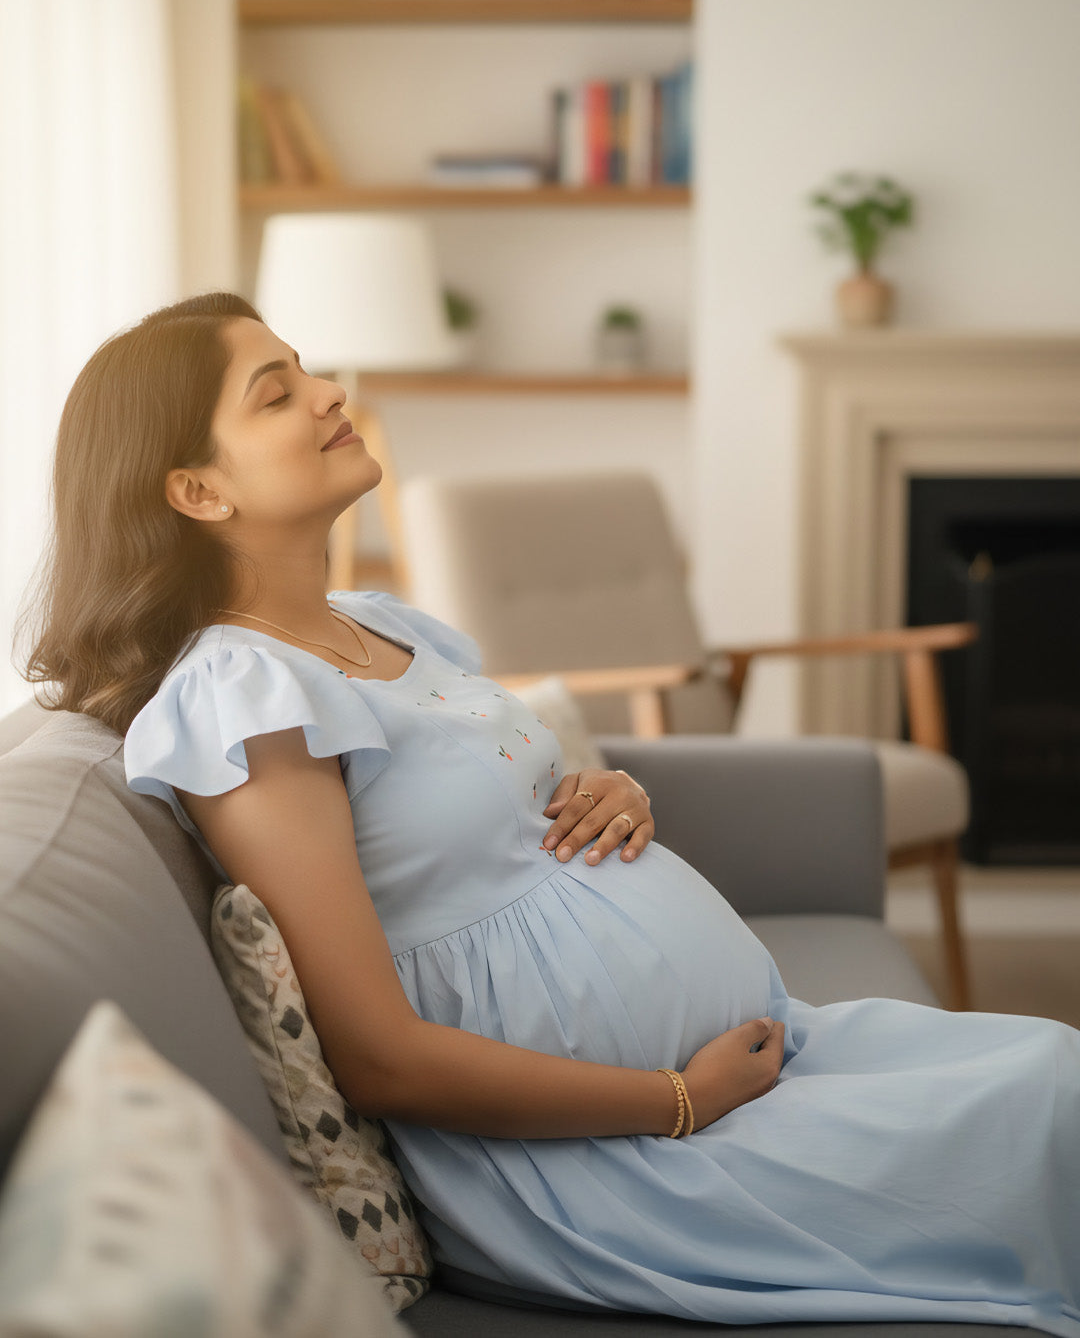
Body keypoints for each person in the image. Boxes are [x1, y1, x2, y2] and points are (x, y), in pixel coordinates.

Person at [24, 293, 1080, 1335]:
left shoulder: (375, 628)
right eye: (276, 393)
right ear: (198, 490)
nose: (329, 393)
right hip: (609, 1161)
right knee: (1049, 1113)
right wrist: (679, 1098)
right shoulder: (244, 696)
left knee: (1052, 1069)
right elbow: (379, 1057)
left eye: (306, 369)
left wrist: (606, 792)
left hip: (754, 1064)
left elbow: (481, 813)